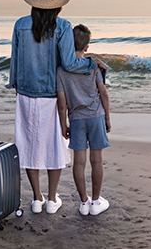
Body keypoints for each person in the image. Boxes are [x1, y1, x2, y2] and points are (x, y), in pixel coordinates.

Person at [9, 0, 108, 215]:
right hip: (51, 95)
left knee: (29, 145)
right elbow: (69, 63)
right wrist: (92, 64)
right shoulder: (62, 26)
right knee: (54, 146)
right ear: (58, 3)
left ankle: (36, 198)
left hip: (26, 93)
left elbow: (14, 61)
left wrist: (15, 84)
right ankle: (53, 199)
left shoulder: (20, 24)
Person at [56, 24, 111, 216]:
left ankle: (84, 202)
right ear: (87, 47)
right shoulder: (92, 66)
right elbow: (103, 94)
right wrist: (108, 118)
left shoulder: (61, 71)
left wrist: (63, 124)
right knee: (97, 161)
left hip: (77, 120)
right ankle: (96, 202)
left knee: (79, 163)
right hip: (96, 117)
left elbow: (62, 103)